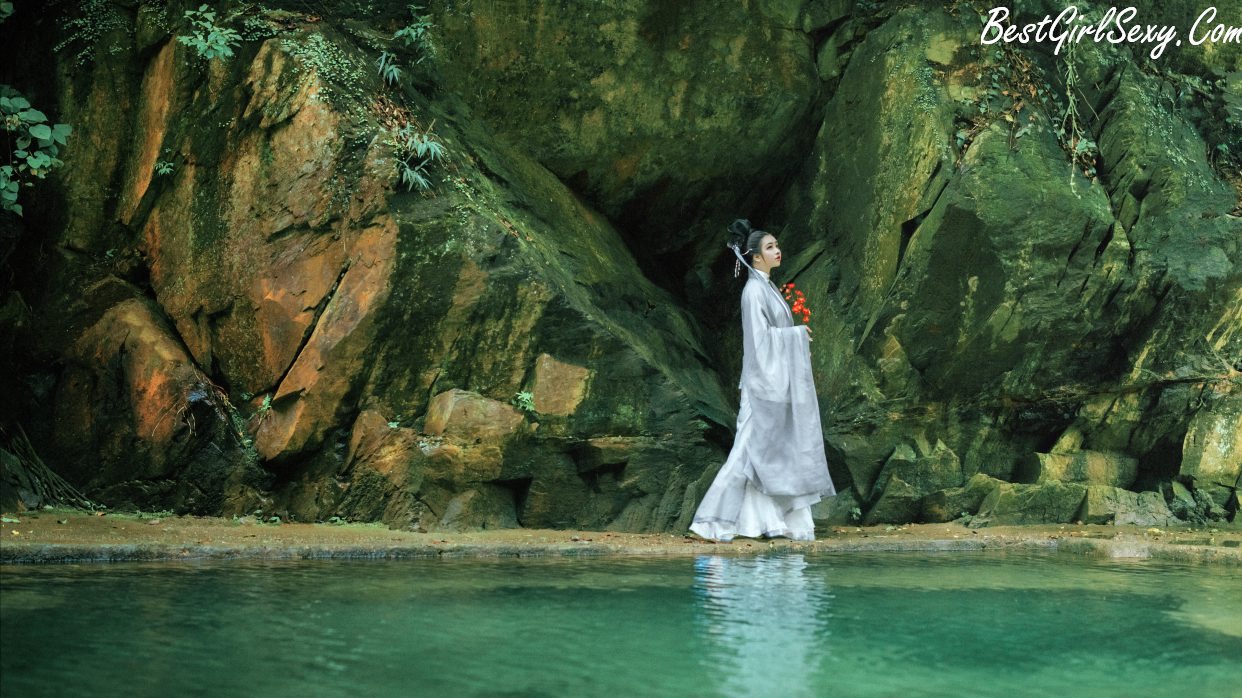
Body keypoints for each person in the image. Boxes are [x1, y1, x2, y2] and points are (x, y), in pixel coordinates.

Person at [690, 219, 836, 542]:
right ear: (756, 257)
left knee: (771, 452)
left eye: (777, 245)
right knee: (746, 452)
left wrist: (794, 336)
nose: (777, 250)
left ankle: (765, 521)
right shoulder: (754, 291)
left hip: (771, 384)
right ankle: (710, 522)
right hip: (761, 387)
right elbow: (759, 341)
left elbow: (772, 335)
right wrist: (795, 336)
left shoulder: (766, 287)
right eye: (770, 247)